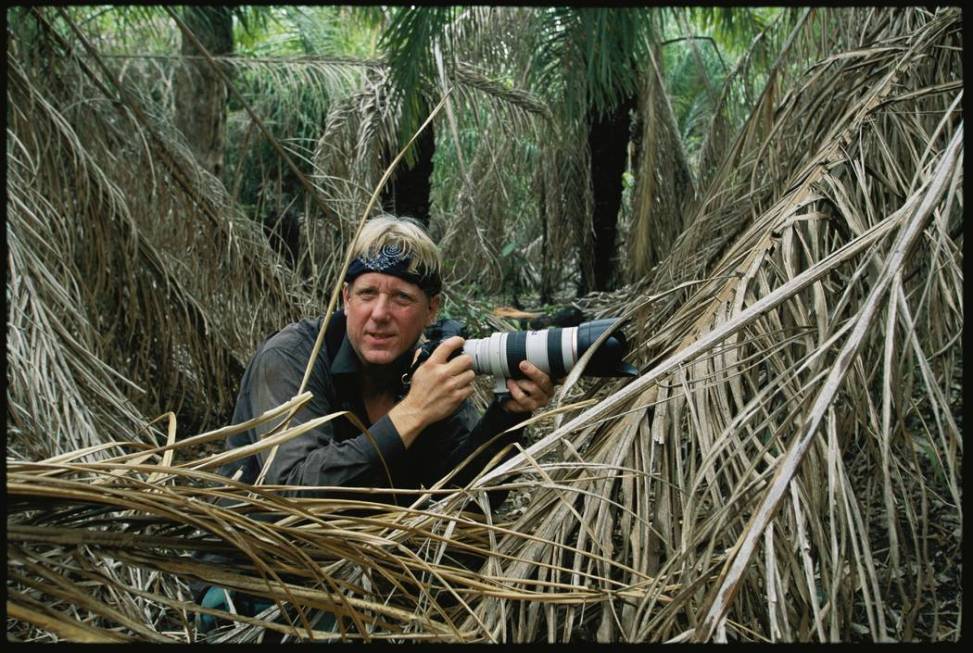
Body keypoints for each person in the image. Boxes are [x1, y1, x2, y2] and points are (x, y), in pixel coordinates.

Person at [192, 215, 554, 633]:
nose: (380, 314)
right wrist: (412, 413)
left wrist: (506, 417)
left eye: (401, 298)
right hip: (255, 574)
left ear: (432, 309)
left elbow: (463, 502)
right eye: (367, 294)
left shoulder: (426, 368)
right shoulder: (292, 358)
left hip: (360, 571)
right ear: (346, 298)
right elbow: (294, 492)